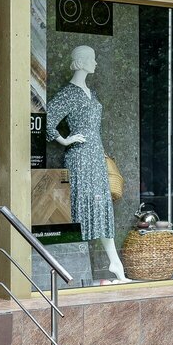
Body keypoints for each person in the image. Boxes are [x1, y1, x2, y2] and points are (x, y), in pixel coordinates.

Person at [45, 46, 126, 281]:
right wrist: (65, 140)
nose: (96, 63)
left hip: (95, 156)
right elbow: (47, 118)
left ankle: (114, 262)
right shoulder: (69, 93)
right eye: (92, 59)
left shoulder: (90, 92)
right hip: (80, 157)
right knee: (81, 206)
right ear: (81, 62)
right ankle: (76, 266)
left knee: (101, 206)